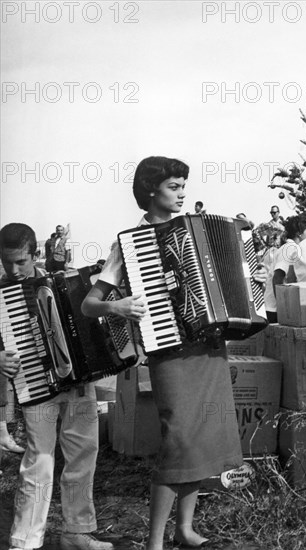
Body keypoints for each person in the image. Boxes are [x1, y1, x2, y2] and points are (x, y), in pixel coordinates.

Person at [81, 156, 266, 550]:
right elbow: (89, 305)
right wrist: (118, 306)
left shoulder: (199, 230)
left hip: (209, 347)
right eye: (173, 187)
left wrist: (255, 278)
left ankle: (183, 530)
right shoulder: (130, 245)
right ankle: (154, 542)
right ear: (150, 190)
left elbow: (238, 283)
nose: (182, 194)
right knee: (178, 440)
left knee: (200, 440)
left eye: (184, 186)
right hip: (169, 351)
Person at [0, 223, 112, 550]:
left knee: (83, 454)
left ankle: (76, 533)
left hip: (78, 383)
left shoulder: (64, 281)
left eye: (20, 261)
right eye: (6, 262)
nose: (13, 269)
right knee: (40, 460)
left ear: (35, 254)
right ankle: (25, 540)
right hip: (36, 385)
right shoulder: (1, 294)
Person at [264, 215, 306, 323]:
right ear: (298, 233)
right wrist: (283, 308)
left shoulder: (292, 248)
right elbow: (278, 277)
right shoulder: (290, 248)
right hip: (275, 310)